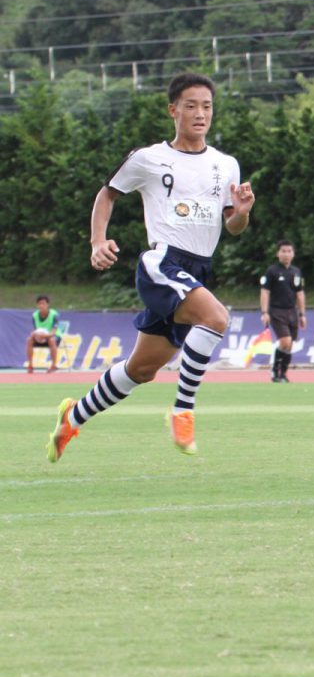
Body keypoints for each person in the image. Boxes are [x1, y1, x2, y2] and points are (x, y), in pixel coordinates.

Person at [49, 72, 255, 462]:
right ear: (173, 110)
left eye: (207, 106)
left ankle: (72, 418)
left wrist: (242, 213)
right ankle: (183, 411)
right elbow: (107, 194)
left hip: (198, 269)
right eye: (191, 105)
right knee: (216, 318)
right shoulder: (148, 158)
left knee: (140, 369)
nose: (200, 114)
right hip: (163, 262)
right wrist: (97, 241)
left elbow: (233, 226)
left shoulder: (226, 165)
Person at [259, 239, 306, 383]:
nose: (286, 254)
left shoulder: (296, 272)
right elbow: (265, 292)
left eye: (289, 251)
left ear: (293, 254)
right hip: (277, 311)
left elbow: (300, 293)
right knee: (285, 341)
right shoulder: (272, 271)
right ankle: (274, 370)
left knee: (290, 344)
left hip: (292, 312)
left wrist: (302, 314)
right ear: (277, 254)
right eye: (283, 251)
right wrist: (265, 312)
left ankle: (283, 373)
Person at [27, 295, 62, 373]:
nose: (41, 305)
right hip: (40, 337)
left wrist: (44, 336)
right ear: (37, 305)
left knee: (51, 340)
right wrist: (34, 334)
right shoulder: (35, 315)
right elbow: (36, 329)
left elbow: (53, 332)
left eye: (43, 303)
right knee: (29, 339)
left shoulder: (54, 315)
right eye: (39, 304)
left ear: (47, 304)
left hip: (54, 336)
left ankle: (53, 365)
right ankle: (30, 365)